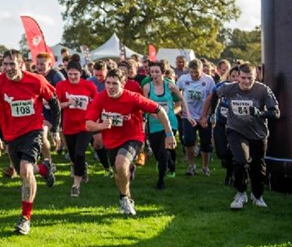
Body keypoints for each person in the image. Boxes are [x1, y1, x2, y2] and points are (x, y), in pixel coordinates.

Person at [0, 50, 59, 235]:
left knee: (25, 170)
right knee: (23, 172)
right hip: (11, 135)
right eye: (5, 64)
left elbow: (54, 102)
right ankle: (43, 169)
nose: (8, 68)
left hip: (33, 130)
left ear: (21, 64)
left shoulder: (36, 80)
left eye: (12, 64)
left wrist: (55, 130)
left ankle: (25, 218)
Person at [85, 68, 177, 217]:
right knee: (118, 174)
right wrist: (102, 126)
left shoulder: (133, 97)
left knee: (121, 164)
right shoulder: (100, 98)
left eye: (115, 84)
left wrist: (169, 134)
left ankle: (125, 199)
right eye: (108, 83)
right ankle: (126, 195)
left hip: (133, 137)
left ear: (123, 83)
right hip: (111, 141)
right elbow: (88, 124)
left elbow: (159, 110)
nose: (110, 87)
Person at [220, 63, 280, 210]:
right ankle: (241, 193)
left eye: (250, 78)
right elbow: (214, 94)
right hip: (236, 130)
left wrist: (260, 113)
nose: (246, 82)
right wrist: (211, 113)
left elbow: (276, 113)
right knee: (240, 160)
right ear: (237, 77)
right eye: (243, 78)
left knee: (258, 166)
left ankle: (257, 195)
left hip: (258, 133)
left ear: (256, 76)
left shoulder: (263, 90)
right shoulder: (228, 88)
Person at [55, 60, 98, 198]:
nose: (72, 77)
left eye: (75, 74)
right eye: (70, 74)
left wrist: (92, 108)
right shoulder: (61, 86)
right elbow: (56, 105)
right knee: (74, 156)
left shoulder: (88, 85)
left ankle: (76, 185)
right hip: (69, 126)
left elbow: (97, 102)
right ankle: (82, 168)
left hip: (85, 125)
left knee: (80, 153)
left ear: (81, 73)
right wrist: (68, 103)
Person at [142, 61, 184, 189]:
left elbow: (181, 100)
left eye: (157, 72)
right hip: (154, 124)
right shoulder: (147, 87)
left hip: (170, 122)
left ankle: (160, 181)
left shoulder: (170, 86)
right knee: (157, 153)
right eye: (152, 72)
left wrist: (184, 114)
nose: (154, 74)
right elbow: (145, 105)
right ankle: (170, 162)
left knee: (163, 151)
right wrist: (152, 113)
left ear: (163, 73)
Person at [177, 59, 214, 176]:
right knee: (188, 141)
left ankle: (205, 166)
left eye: (196, 72)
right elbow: (177, 93)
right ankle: (191, 165)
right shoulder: (183, 79)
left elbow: (212, 98)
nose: (193, 75)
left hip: (204, 115)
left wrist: (207, 115)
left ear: (201, 70)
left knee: (206, 143)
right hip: (188, 116)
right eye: (191, 72)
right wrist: (179, 107)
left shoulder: (209, 80)